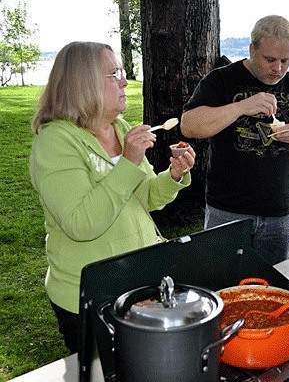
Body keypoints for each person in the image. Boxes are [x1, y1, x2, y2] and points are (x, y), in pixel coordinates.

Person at [30, 41, 195, 353]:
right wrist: (128, 162)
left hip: (138, 279)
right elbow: (81, 224)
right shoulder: (56, 142)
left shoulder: (119, 128)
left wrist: (173, 176)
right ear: (84, 84)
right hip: (90, 294)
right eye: (114, 73)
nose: (124, 80)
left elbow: (147, 198)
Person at [181, 15, 289, 265]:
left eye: (285, 60)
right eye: (270, 59)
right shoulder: (222, 80)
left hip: (280, 214)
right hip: (227, 211)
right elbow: (189, 125)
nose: (278, 68)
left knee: (270, 288)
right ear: (251, 49)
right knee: (221, 284)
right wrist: (240, 107)